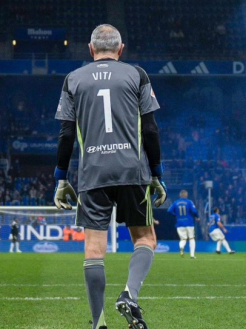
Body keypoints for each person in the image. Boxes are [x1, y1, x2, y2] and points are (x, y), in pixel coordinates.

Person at [54, 23, 166, 329]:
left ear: (90, 50)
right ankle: (129, 294)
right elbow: (152, 129)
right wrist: (156, 173)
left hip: (93, 173)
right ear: (121, 49)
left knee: (93, 249)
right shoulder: (137, 74)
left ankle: (99, 323)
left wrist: (61, 178)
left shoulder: (73, 79)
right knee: (145, 238)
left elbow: (66, 135)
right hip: (132, 170)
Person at [169, 190, 199, 259]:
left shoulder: (176, 202)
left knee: (183, 239)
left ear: (180, 195)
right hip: (189, 223)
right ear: (186, 195)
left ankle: (181, 247)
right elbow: (194, 211)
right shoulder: (189, 202)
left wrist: (175, 215)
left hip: (179, 223)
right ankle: (192, 255)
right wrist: (197, 216)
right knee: (191, 238)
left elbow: (169, 211)